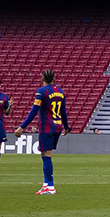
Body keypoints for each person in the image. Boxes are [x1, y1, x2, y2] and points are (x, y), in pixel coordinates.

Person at [16, 69, 69, 197]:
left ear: (42, 78)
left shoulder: (41, 91)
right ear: (54, 78)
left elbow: (34, 110)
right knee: (45, 154)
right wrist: (66, 127)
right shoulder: (60, 91)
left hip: (47, 127)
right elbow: (63, 111)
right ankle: (46, 184)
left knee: (46, 155)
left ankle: (50, 186)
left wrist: (22, 127)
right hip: (57, 126)